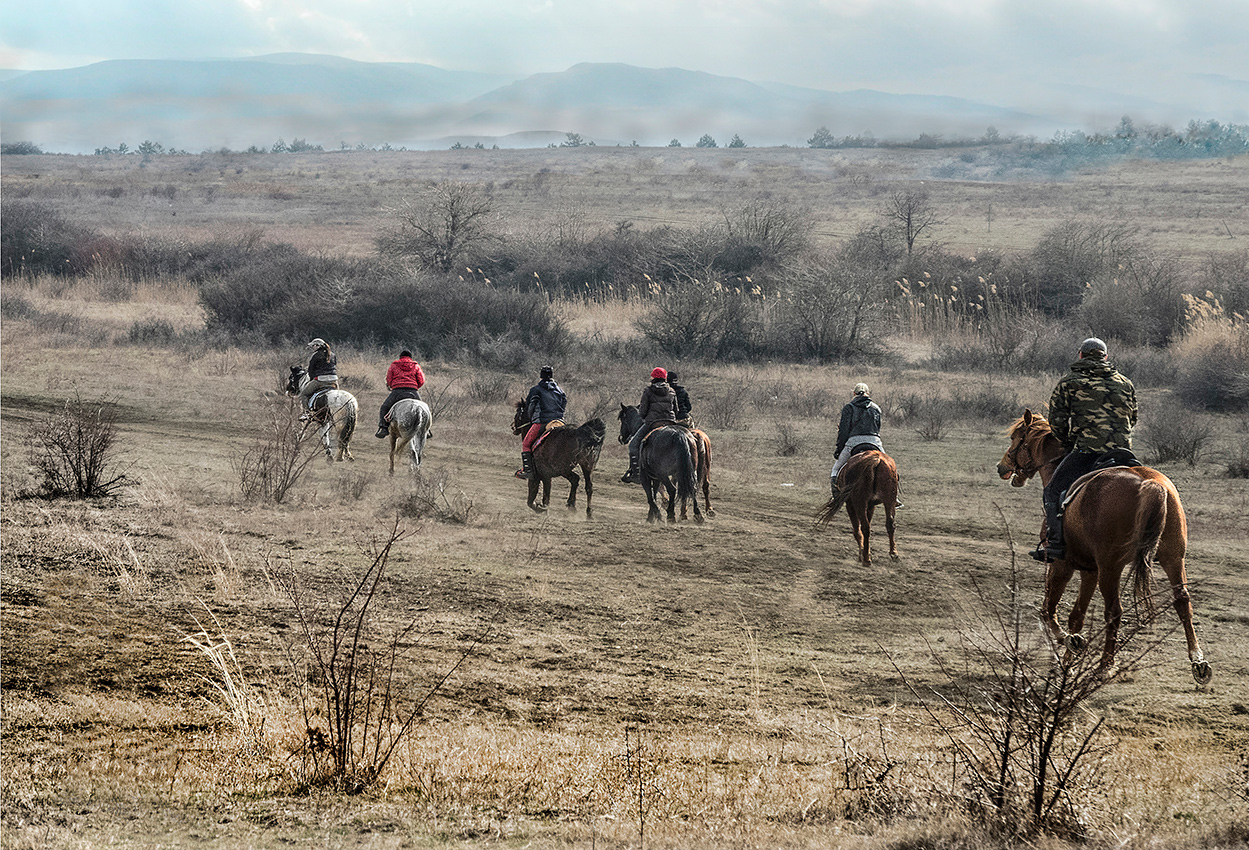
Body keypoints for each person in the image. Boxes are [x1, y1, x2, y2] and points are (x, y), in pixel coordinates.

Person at [1032, 337, 1138, 562]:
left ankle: (1056, 545)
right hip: (1123, 452)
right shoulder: (1125, 383)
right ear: (1106, 357)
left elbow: (1057, 422)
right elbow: (1133, 418)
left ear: (1080, 355)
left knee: (1052, 491)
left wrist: (1069, 444)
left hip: (1087, 451)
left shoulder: (1069, 382)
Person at [622, 367, 679, 484]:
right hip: (670, 423)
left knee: (633, 445)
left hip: (653, 423)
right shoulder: (672, 391)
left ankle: (637, 474)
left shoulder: (648, 391)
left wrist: (644, 417)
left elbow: (642, 411)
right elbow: (676, 410)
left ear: (653, 378)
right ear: (665, 378)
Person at [516, 365, 568, 479]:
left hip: (542, 422)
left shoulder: (535, 390)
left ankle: (528, 471)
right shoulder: (560, 391)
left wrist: (531, 418)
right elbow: (564, 404)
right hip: (559, 422)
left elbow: (530, 406)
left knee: (526, 444)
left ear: (541, 375)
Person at [830, 382, 882, 494]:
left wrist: (839, 449)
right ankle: (894, 494)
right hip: (874, 442)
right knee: (891, 467)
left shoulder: (849, 408)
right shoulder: (876, 408)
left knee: (836, 469)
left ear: (854, 393)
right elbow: (878, 428)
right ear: (868, 393)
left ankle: (836, 494)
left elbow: (843, 432)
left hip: (854, 442)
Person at [375, 349, 426, 438]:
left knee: (385, 407)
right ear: (410, 357)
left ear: (400, 357)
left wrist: (392, 385)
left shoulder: (394, 365)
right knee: (424, 410)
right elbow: (421, 380)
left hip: (397, 391)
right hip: (413, 391)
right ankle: (426, 429)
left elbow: (389, 378)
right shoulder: (415, 366)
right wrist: (415, 387)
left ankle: (383, 428)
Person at [298, 338, 338, 416]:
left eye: (313, 346)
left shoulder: (316, 355)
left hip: (320, 380)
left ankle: (306, 413)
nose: (312, 348)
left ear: (317, 346)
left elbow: (311, 370)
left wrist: (312, 378)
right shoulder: (332, 354)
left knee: (304, 394)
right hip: (334, 380)